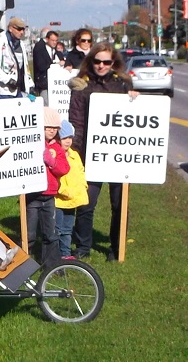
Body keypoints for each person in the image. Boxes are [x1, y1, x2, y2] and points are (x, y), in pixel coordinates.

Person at [68, 42, 138, 261]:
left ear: (113, 63)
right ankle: (82, 246)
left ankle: (116, 248)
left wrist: (135, 99)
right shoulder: (82, 86)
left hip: (119, 155)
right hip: (91, 153)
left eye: (106, 62)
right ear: (91, 61)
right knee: (87, 203)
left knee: (119, 204)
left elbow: (135, 118)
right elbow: (76, 121)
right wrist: (77, 154)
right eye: (97, 61)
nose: (101, 65)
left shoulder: (123, 84)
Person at [25, 106, 69, 265]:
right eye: (48, 127)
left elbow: (64, 169)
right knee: (28, 234)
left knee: (51, 234)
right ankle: (23, 265)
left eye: (55, 128)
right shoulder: (33, 144)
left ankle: (51, 266)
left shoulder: (57, 148)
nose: (51, 130)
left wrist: (52, 162)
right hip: (32, 197)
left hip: (49, 197)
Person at [55, 120, 88, 260]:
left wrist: (83, 186)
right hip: (59, 200)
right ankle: (55, 256)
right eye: (64, 138)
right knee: (57, 230)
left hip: (72, 200)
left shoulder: (74, 155)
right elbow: (54, 178)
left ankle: (66, 255)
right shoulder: (55, 155)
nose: (68, 141)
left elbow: (81, 172)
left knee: (67, 230)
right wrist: (64, 191)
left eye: (70, 138)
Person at [0, 17, 35, 99]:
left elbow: (25, 67)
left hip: (18, 89)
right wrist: (8, 80)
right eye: (19, 29)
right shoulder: (1, 41)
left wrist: (30, 84)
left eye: (23, 29)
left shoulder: (21, 44)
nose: (22, 32)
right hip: (3, 91)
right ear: (10, 28)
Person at [32, 29, 64, 103]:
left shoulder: (59, 54)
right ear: (47, 39)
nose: (54, 42)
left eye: (56, 40)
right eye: (52, 40)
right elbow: (41, 66)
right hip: (45, 85)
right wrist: (56, 65)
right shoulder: (40, 51)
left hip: (58, 86)